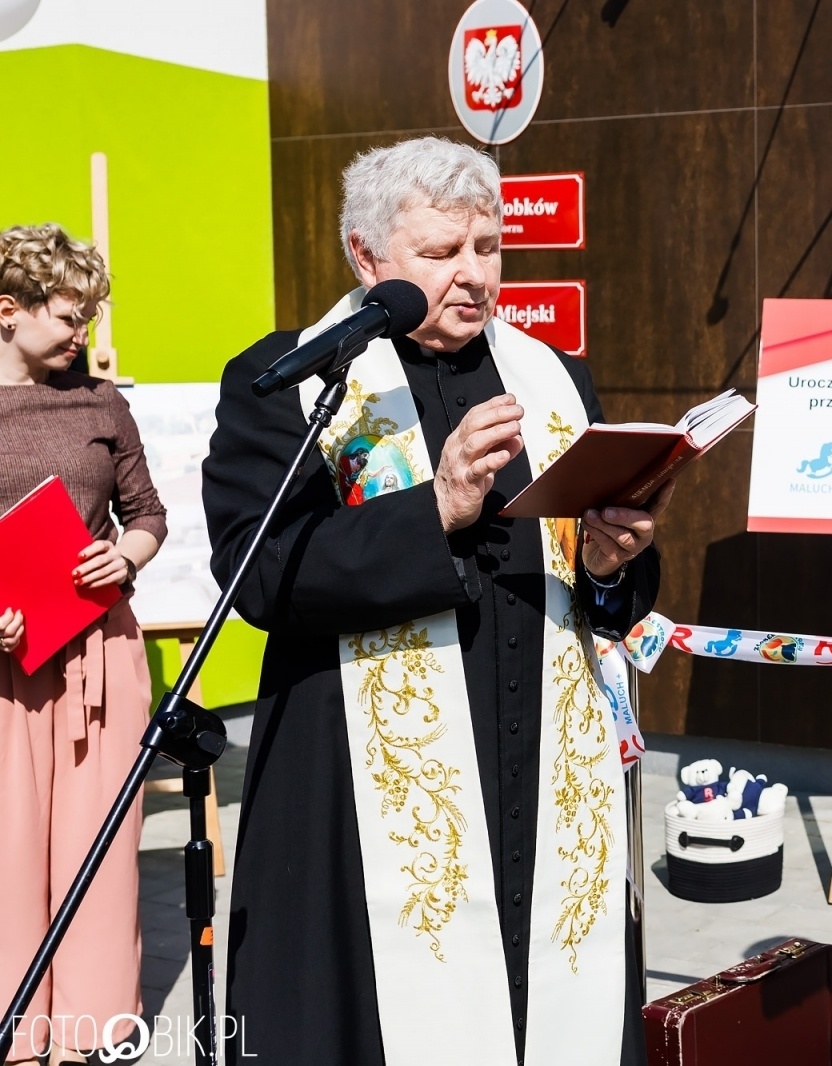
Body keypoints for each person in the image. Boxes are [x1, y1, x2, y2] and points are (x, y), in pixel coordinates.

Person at [202, 137, 667, 1066]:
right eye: (440, 254)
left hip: (543, 774)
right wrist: (438, 510)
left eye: (487, 248)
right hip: (358, 784)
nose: (473, 276)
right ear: (364, 257)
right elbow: (258, 574)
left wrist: (616, 561)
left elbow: (606, 597)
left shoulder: (553, 378)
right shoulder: (291, 386)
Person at [0, 223, 167, 1066]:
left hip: (101, 650)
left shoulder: (103, 402)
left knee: (100, 861)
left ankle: (90, 1034)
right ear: (8, 311)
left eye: (90, 318)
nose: (83, 336)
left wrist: (123, 556)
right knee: (7, 855)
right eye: (70, 317)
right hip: (3, 668)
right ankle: (15, 1034)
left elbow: (149, 516)